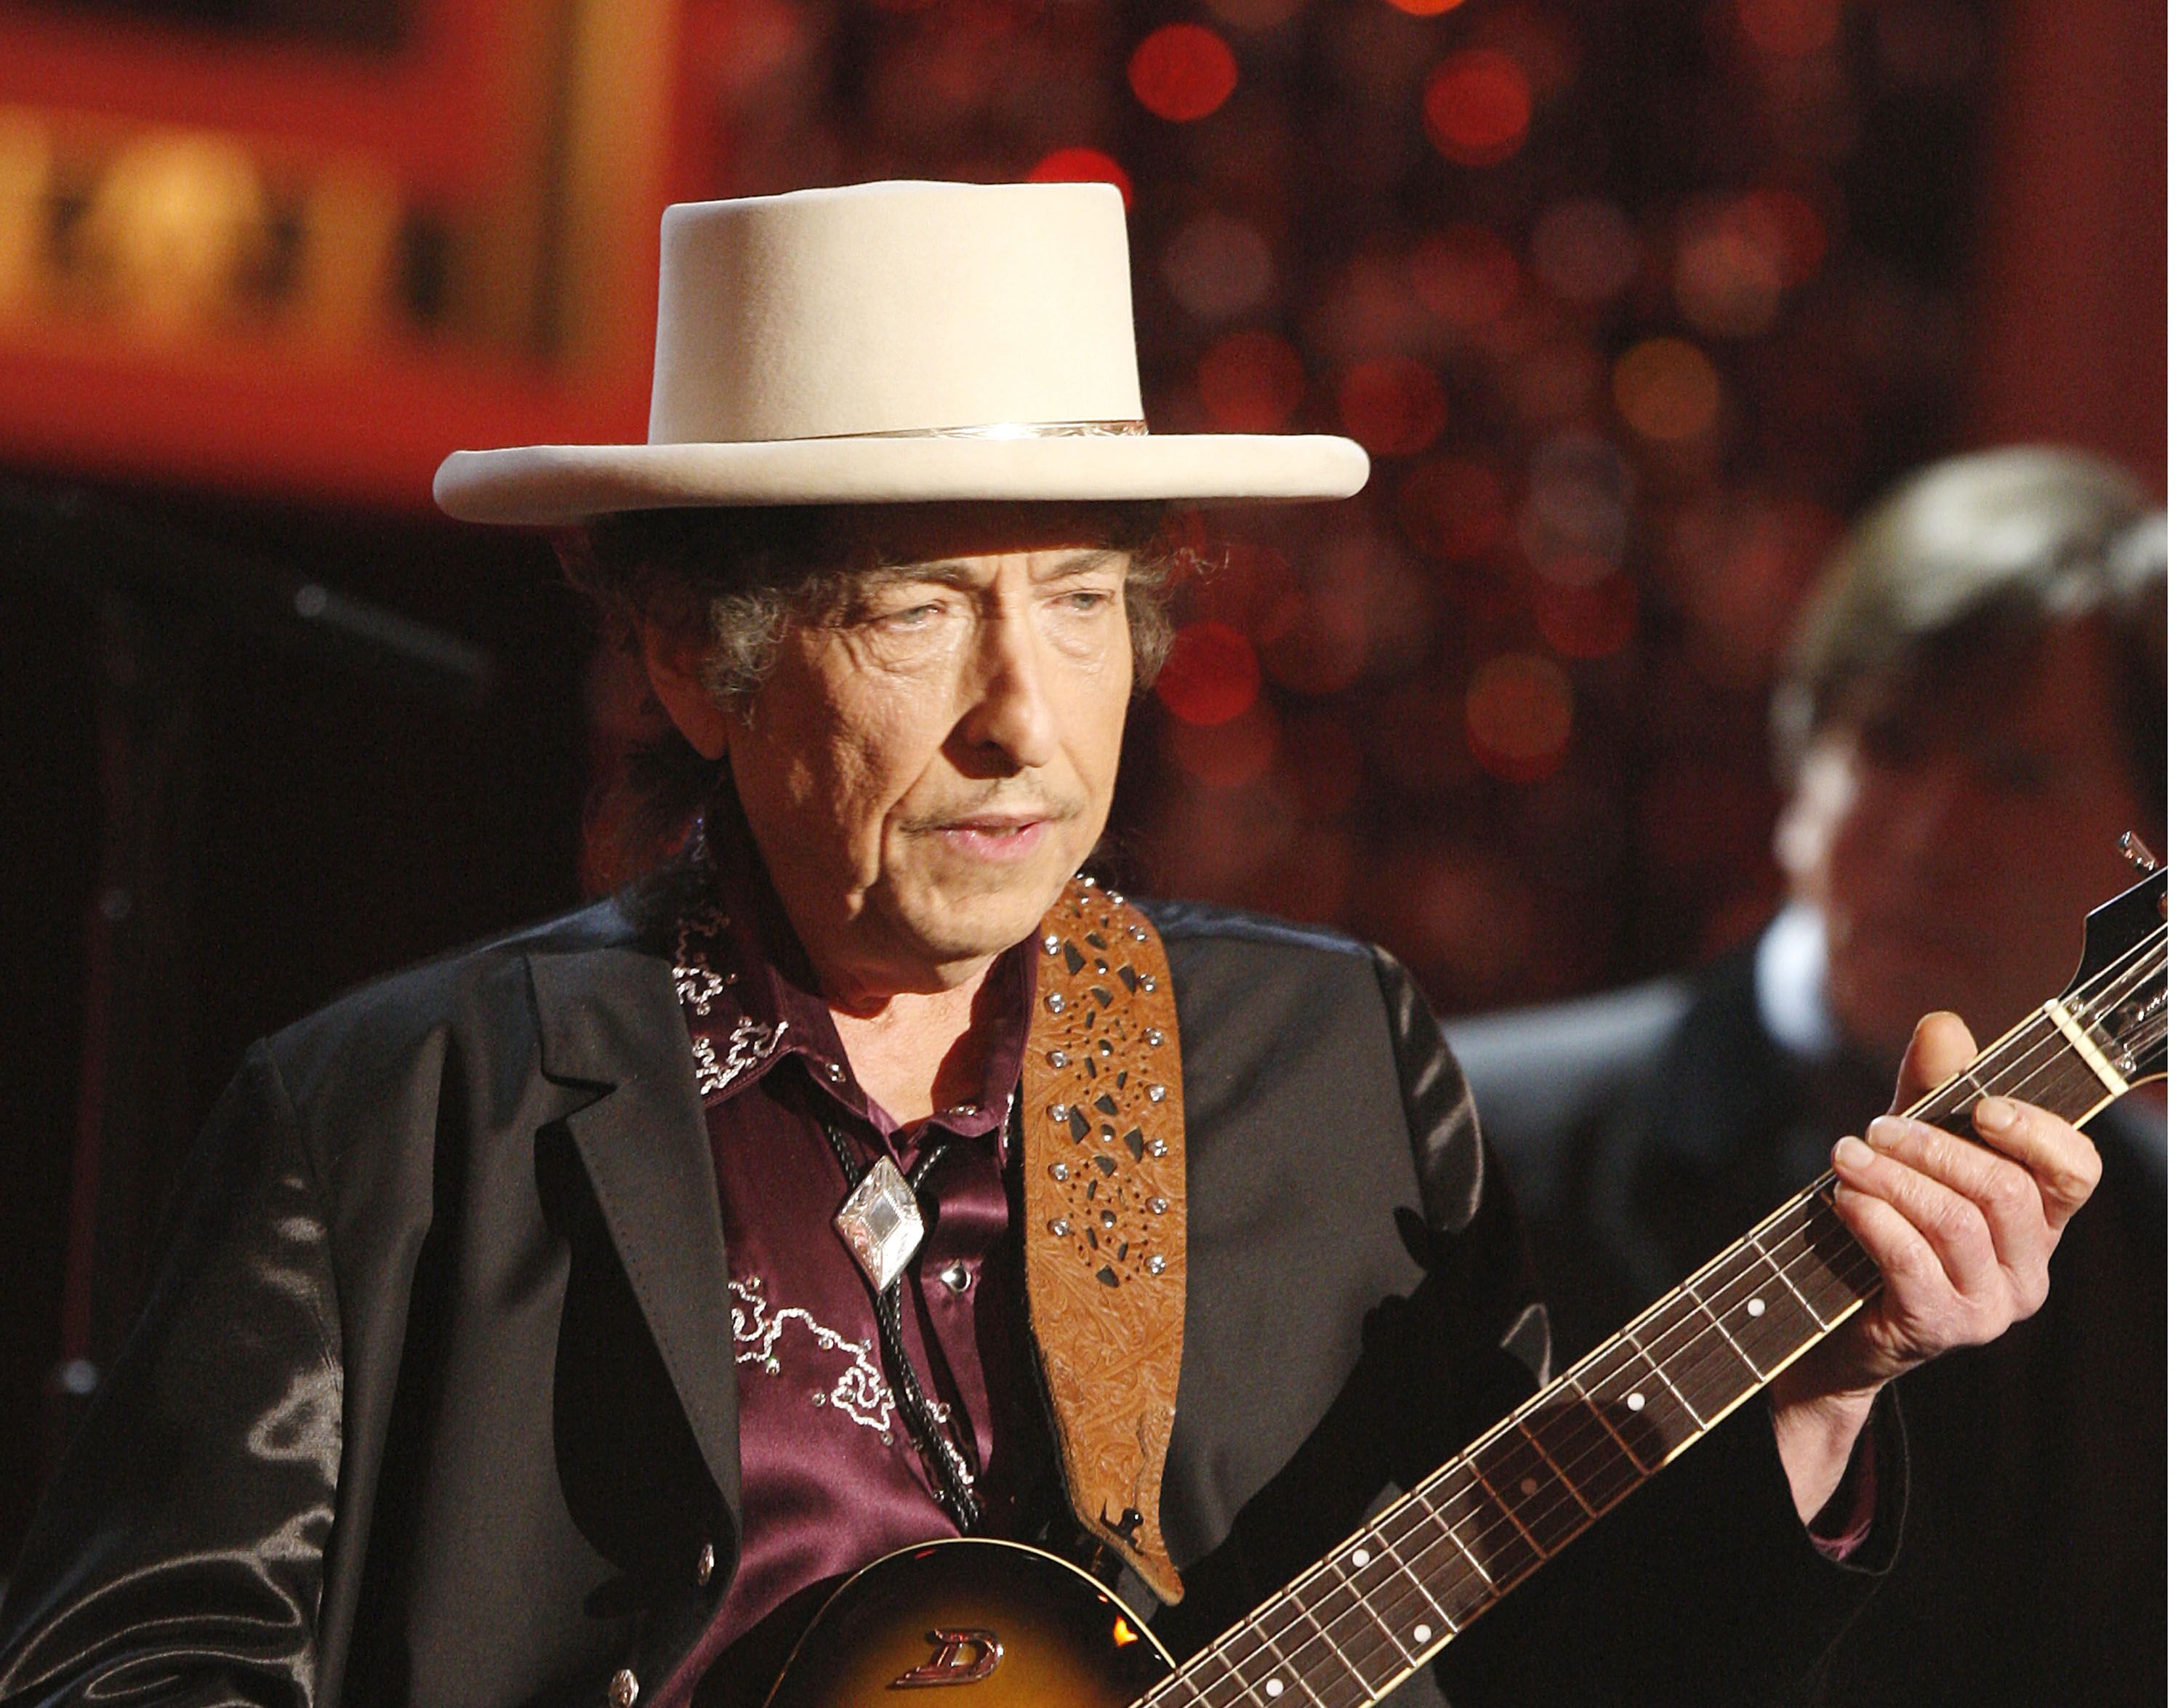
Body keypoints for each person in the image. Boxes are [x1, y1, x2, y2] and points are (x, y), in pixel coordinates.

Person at [0, 185, 2107, 1708]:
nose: (1027, 712)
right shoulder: (394, 1111)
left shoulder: (1321, 1054)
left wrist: (1820, 1399)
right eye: (922, 608)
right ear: (693, 657)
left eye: (1083, 604)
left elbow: (1557, 1655)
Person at [1447, 446, 2165, 1705]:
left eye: (2018, 772)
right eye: (1888, 743)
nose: (1934, 835)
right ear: (1798, 758)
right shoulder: (1466, 1129)